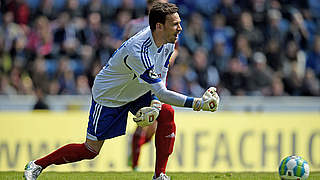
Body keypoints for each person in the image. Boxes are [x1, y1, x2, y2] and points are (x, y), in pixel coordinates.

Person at [23, 2, 220, 180]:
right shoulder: (139, 51)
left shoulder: (168, 42)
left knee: (167, 112)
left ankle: (160, 175)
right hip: (110, 96)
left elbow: (162, 78)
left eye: (179, 23)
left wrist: (155, 104)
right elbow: (161, 91)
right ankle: (38, 165)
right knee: (90, 150)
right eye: (175, 24)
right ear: (159, 26)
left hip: (137, 89)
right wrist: (198, 103)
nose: (180, 28)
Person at [123, 0, 179, 171]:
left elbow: (175, 49)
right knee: (147, 119)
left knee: (152, 125)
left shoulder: (171, 27)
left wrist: (169, 59)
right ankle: (135, 165)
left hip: (160, 76)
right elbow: (125, 48)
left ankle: (135, 151)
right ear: (149, 6)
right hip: (141, 78)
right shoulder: (134, 25)